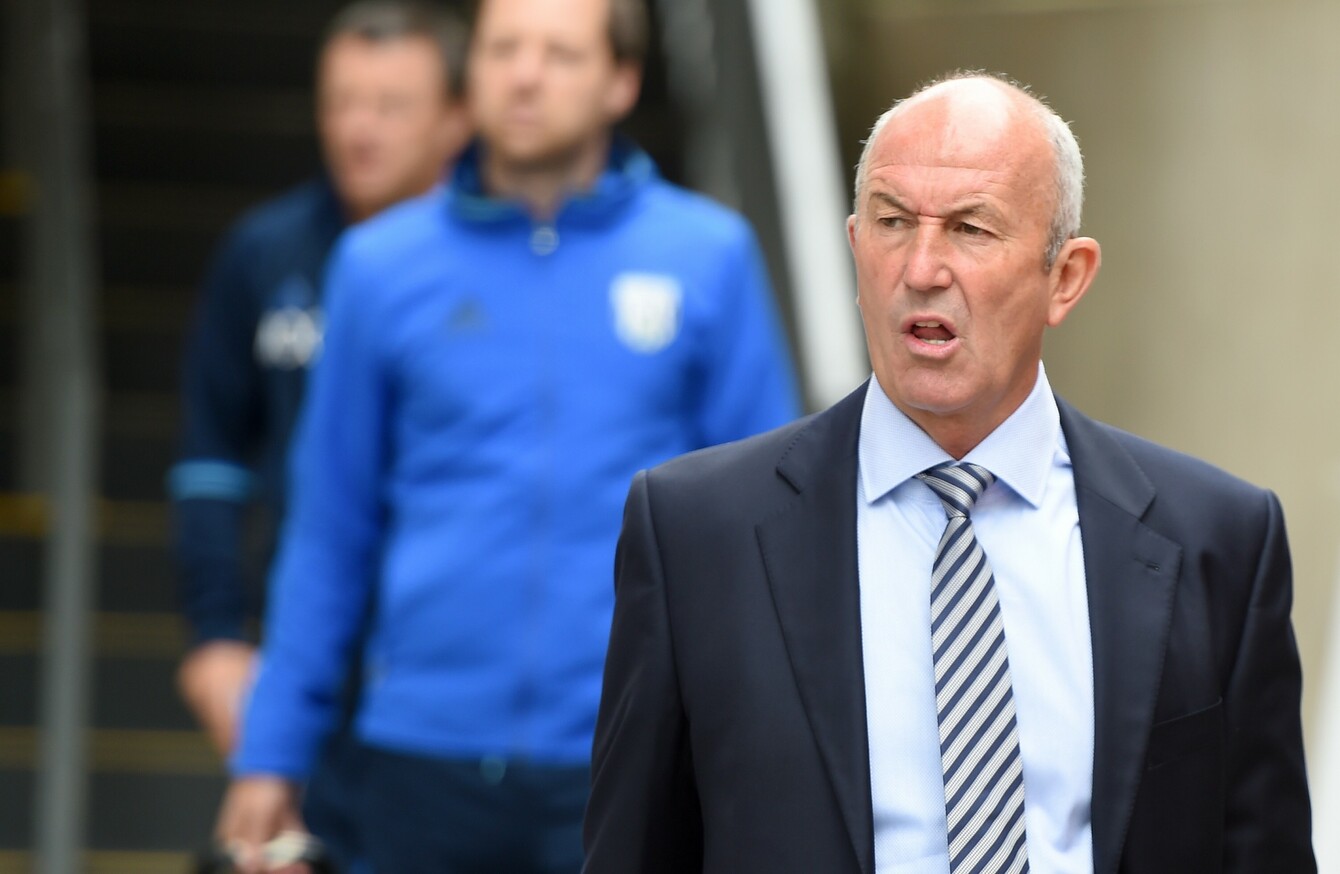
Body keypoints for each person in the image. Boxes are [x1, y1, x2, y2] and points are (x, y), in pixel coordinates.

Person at [584, 72, 1316, 873]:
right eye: (893, 222)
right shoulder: (695, 534)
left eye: (971, 229)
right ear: (855, 247)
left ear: (1065, 277)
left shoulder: (1217, 541)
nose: (922, 268)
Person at [215, 0, 801, 870]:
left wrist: (764, 739)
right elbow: (329, 528)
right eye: (503, 49)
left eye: (560, 53)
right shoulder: (379, 265)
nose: (525, 76)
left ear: (621, 81)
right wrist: (272, 748)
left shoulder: (709, 256)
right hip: (420, 756)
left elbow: (769, 534)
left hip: (631, 747)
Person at [167, 0, 470, 864]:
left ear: (457, 119)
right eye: (340, 102)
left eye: (389, 106)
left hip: (446, 662)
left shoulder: (502, 265)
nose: (358, 129)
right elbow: (211, 456)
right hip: (305, 651)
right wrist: (217, 635)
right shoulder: (264, 253)